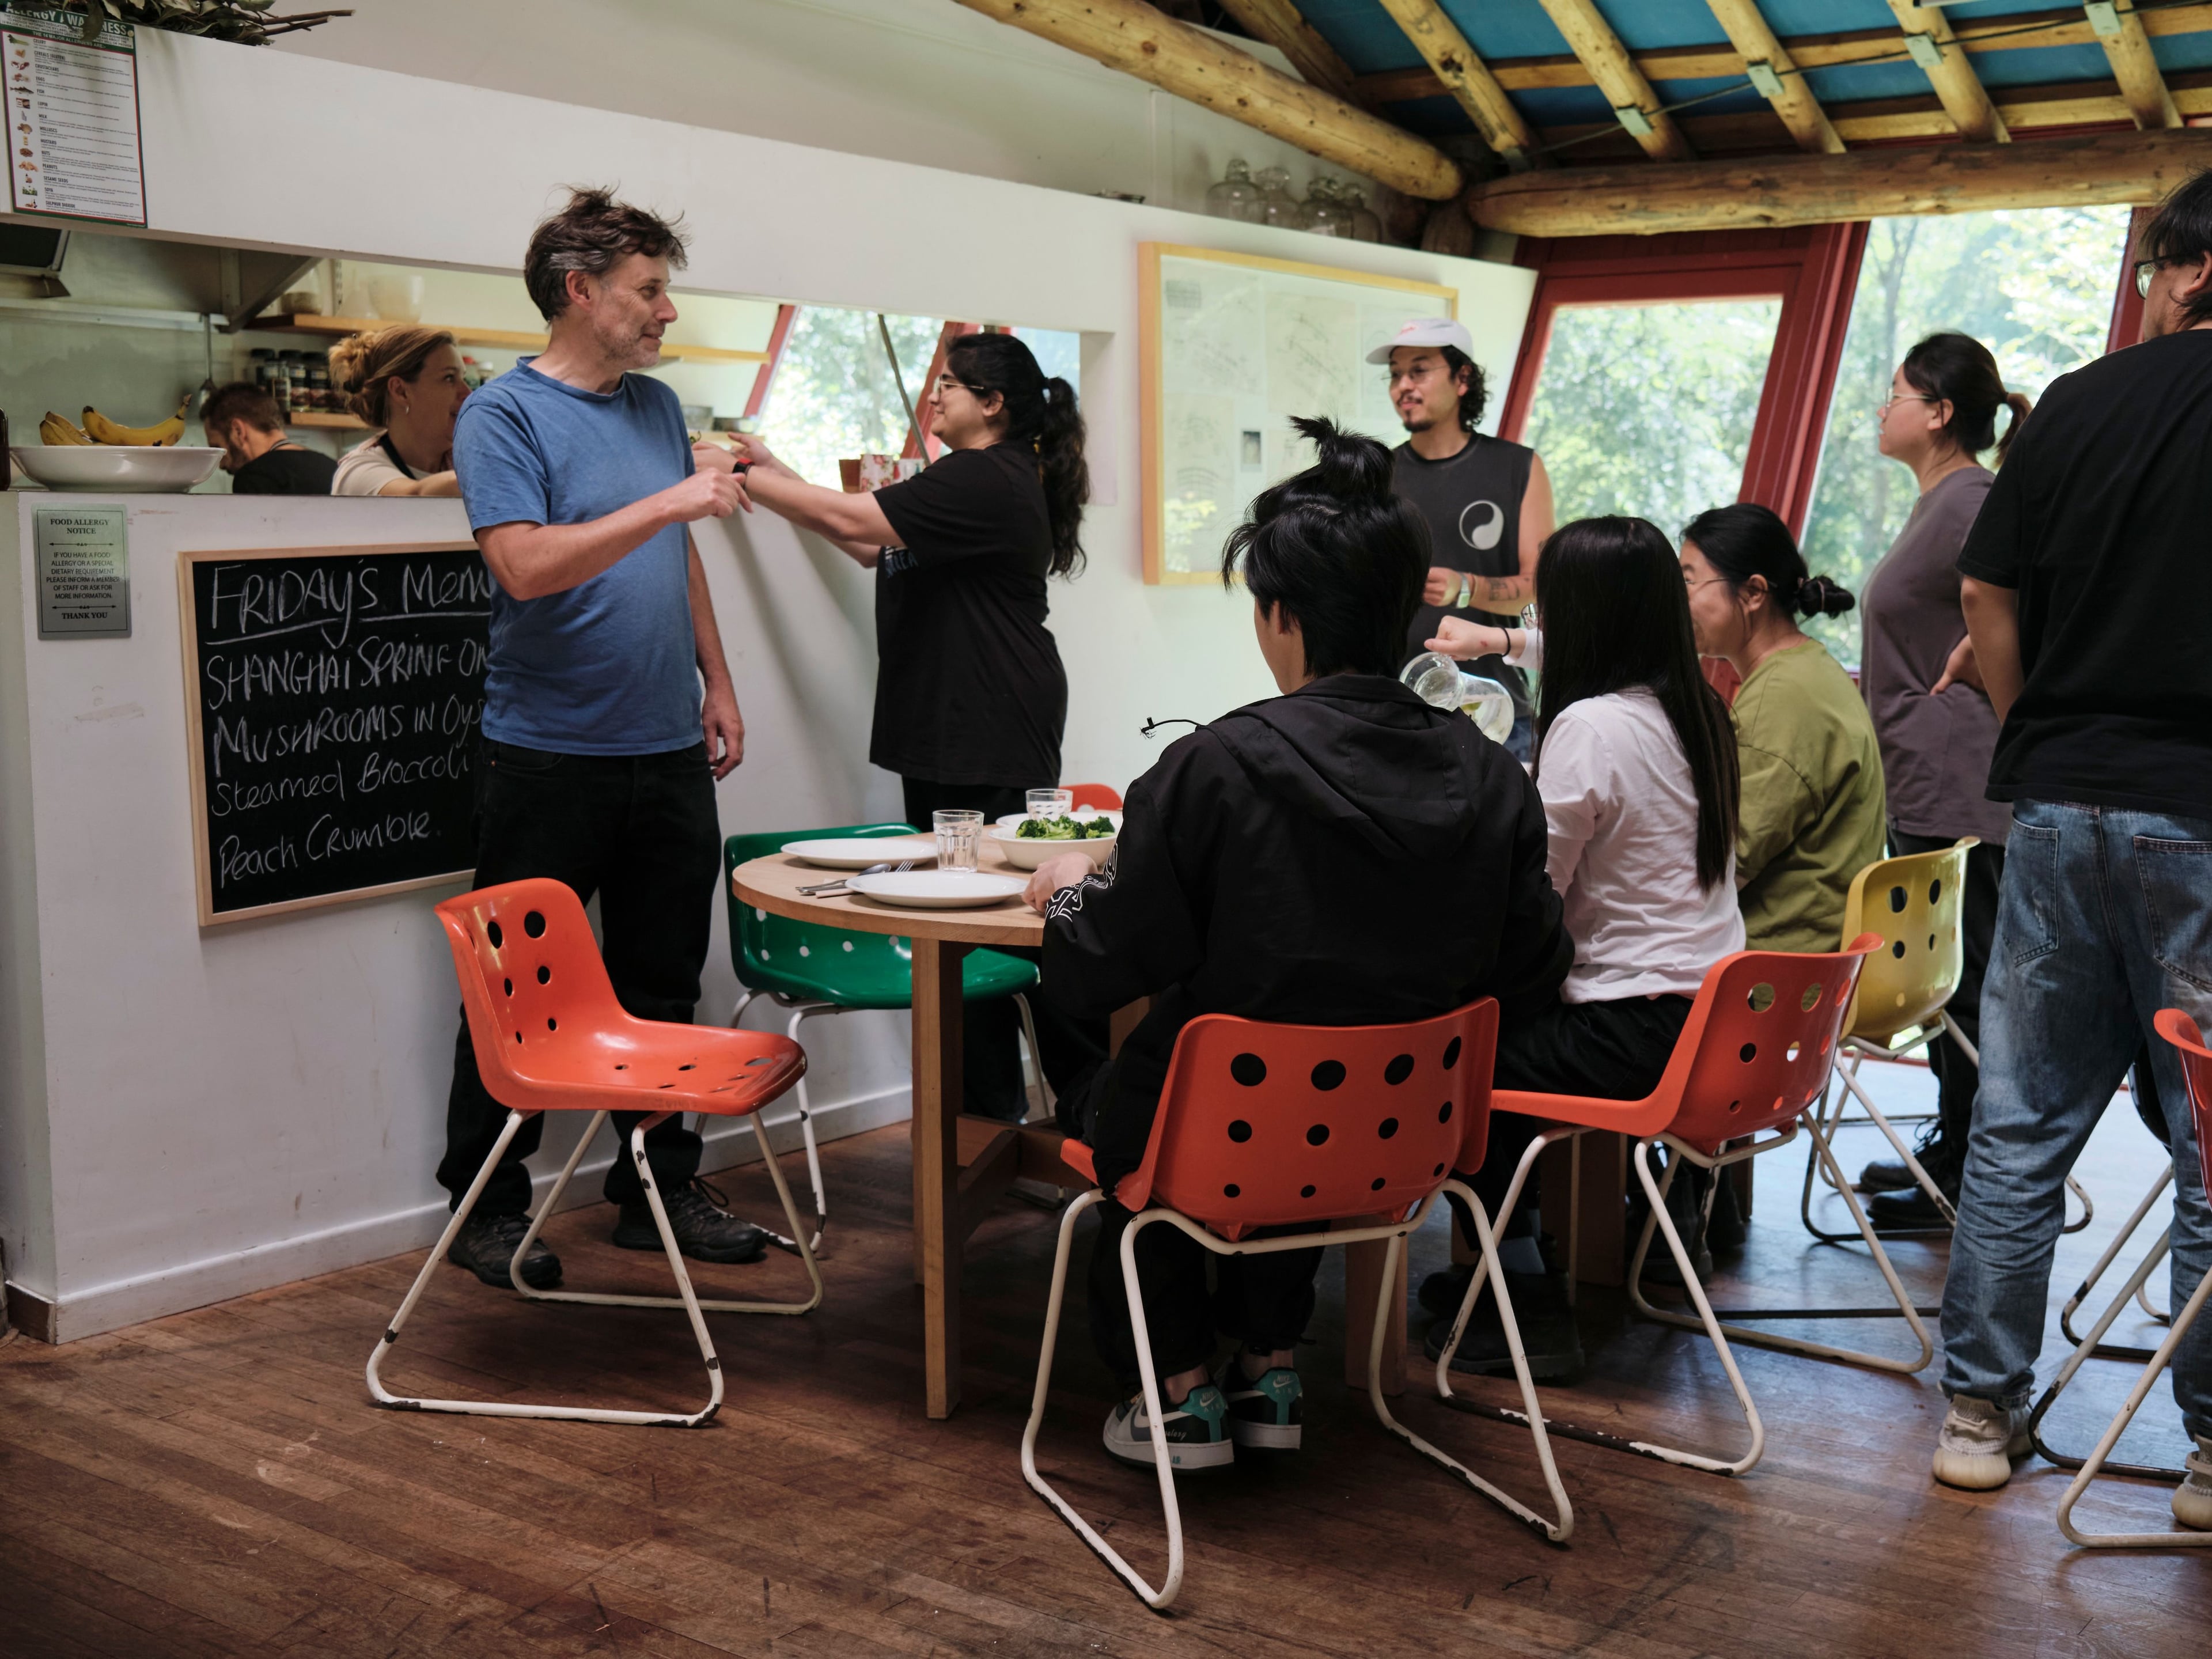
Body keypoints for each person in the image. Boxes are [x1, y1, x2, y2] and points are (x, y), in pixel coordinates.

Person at [1020, 417, 1571, 1469]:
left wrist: (1064, 895)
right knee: (1279, 1075)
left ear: (1280, 617)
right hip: (1408, 1142)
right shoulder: (1490, 768)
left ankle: (1180, 1393)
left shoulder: (1216, 766)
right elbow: (1535, 964)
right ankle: (1271, 1366)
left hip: (1229, 1130)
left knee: (1140, 1084)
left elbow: (1109, 958)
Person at [1931, 171, 2212, 1528]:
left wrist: (2026, 719)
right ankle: (2209, 1454)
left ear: (2185, 273)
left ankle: (1976, 1416)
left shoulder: (2075, 403)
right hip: (2201, 811)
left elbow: (1983, 589)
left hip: (2052, 803)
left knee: (2016, 1126)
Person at [437, 186, 760, 1291]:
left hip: (664, 749)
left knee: (665, 981)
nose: (667, 311)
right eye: (651, 290)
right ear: (582, 292)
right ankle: (484, 1209)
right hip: (547, 755)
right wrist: (674, 503)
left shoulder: (657, 406)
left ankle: (656, 1190)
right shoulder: (500, 415)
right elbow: (524, 566)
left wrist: (716, 679)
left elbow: (679, 556)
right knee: (515, 989)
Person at [711, 331, 1088, 1120]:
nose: (935, 396)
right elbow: (860, 540)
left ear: (993, 404)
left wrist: (745, 477)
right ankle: (987, 1117)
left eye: (952, 384)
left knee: (997, 920)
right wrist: (776, 475)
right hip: (949, 717)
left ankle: (1064, 1106)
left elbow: (850, 515)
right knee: (954, 917)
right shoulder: (960, 479)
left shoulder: (988, 476)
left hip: (989, 715)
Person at [1420, 519, 1743, 1373]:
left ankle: (1520, 1302)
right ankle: (1520, 1267)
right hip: (1714, 1023)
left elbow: (1534, 899)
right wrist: (1505, 639)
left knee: (1464, 1070)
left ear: (1586, 619)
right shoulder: (1698, 708)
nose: (1540, 625)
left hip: (1636, 1032)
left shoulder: (1591, 726)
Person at [1850, 333, 2029, 1228]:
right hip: (1928, 779)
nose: (1883, 407)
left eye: (1896, 392)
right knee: (1940, 986)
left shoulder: (1971, 500)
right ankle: (1953, 1147)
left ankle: (1976, 1174)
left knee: (1967, 983)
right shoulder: (1941, 501)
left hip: (1964, 782)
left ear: (1941, 412)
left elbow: (2016, 613)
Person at [1679, 503, 1883, 955]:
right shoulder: (1809, 668)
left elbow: (1723, 866)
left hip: (1775, 971)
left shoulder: (1783, 695)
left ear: (1753, 592)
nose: (1676, 600)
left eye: (1689, 582)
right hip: (1806, 955)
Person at [1371, 317, 1555, 763]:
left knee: (1501, 834)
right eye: (1395, 374)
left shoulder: (1519, 468)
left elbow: (1539, 586)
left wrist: (1465, 586)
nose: (1403, 386)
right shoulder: (1377, 476)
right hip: (1390, 709)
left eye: (1419, 370)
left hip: (1493, 709)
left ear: (1463, 378)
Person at [328, 324, 469, 497]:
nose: (468, 393)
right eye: (449, 378)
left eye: (463, 378)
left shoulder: (462, 459)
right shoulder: (358, 473)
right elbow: (416, 497)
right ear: (401, 391)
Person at [200, 381, 336, 495]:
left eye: (218, 447)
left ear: (238, 431)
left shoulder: (254, 477)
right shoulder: (333, 468)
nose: (221, 465)